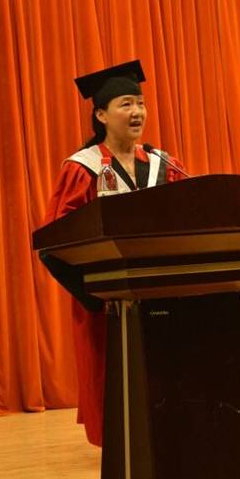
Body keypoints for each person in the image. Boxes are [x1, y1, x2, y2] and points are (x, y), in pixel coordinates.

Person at [41, 60, 186, 447]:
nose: (137, 111)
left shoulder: (164, 164)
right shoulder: (83, 169)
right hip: (106, 299)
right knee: (113, 374)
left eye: (141, 103)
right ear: (101, 115)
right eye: (126, 104)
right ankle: (123, 447)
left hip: (162, 291)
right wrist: (93, 294)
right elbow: (54, 242)